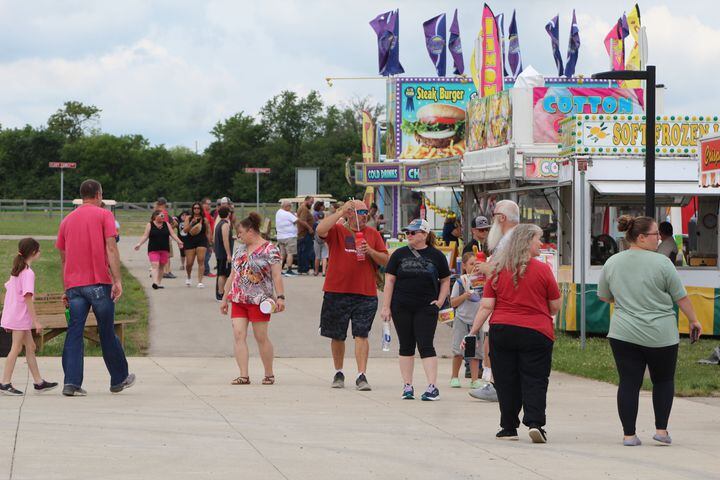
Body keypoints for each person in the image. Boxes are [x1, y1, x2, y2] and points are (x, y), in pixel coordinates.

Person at [598, 215, 702, 447]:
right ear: (642, 237)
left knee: (628, 382)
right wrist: (694, 320)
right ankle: (661, 430)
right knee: (663, 380)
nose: (659, 239)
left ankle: (629, 435)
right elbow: (680, 297)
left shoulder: (613, 262)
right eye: (655, 234)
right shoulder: (663, 263)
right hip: (661, 333)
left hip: (623, 332)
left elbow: (604, 296)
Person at [466, 224, 561, 443]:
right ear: (527, 242)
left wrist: (472, 332)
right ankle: (535, 423)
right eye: (538, 239)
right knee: (535, 378)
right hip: (536, 332)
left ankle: (508, 427)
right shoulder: (543, 270)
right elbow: (554, 307)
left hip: (503, 330)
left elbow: (487, 305)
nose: (541, 243)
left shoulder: (498, 269)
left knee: (507, 380)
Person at [56, 179, 135, 396]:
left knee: (74, 332)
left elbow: (63, 259)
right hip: (99, 283)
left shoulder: (67, 220)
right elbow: (111, 247)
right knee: (106, 331)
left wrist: (66, 287)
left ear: (82, 195)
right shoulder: (104, 215)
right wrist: (117, 280)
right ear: (99, 194)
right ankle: (118, 378)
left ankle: (71, 382)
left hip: (74, 286)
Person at [316, 199, 389, 391]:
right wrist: (340, 212)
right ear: (350, 214)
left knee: (361, 334)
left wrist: (370, 251)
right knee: (337, 335)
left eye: (366, 212)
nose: (364, 216)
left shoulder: (373, 234)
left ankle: (361, 375)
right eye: (359, 212)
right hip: (336, 291)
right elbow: (320, 230)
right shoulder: (338, 230)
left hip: (365, 292)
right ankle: (338, 372)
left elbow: (386, 260)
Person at [382, 219, 451, 401]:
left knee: (426, 344)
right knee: (406, 345)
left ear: (424, 234)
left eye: (413, 232)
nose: (409, 236)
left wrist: (440, 301)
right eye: (408, 232)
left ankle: (432, 386)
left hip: (426, 306)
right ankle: (407, 385)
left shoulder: (437, 256)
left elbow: (445, 280)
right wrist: (386, 306)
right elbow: (389, 280)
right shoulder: (399, 254)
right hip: (401, 305)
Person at [221, 213, 285, 385]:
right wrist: (225, 298)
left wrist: (280, 297)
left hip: (260, 300)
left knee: (260, 336)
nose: (238, 236)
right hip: (239, 299)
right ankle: (244, 375)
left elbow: (277, 276)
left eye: (240, 233)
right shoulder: (239, 250)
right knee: (238, 335)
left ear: (250, 231)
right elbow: (232, 276)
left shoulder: (270, 249)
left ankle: (269, 373)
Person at [469, 199, 520, 402]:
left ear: (502, 218)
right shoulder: (514, 238)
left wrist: (487, 269)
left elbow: (506, 272)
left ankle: (498, 386)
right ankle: (499, 384)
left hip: (504, 303)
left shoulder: (509, 239)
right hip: (509, 303)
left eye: (494, 216)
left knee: (498, 347)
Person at [0, 238, 58, 396]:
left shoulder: (17, 270)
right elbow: (27, 299)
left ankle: (39, 382)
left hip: (16, 316)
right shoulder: (27, 273)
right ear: (33, 253)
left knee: (30, 347)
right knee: (16, 348)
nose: (40, 252)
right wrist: (36, 322)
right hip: (19, 318)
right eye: (39, 250)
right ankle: (5, 383)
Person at [449, 253, 484, 389]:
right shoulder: (461, 282)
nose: (474, 267)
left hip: (477, 320)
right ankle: (454, 376)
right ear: (464, 266)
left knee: (475, 352)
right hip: (462, 319)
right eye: (471, 264)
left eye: (477, 264)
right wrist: (464, 296)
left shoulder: (482, 281)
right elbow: (453, 302)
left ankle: (474, 379)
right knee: (458, 350)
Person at [134, 210, 184, 290]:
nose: (163, 217)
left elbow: (173, 234)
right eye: (161, 216)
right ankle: (154, 282)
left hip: (164, 249)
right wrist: (139, 244)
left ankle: (158, 283)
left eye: (163, 216)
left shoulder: (167, 224)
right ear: (155, 216)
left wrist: (179, 242)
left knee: (161, 267)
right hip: (153, 249)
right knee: (155, 265)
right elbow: (145, 236)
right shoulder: (150, 225)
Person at [183, 201, 212, 288]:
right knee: (189, 263)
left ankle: (200, 281)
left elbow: (208, 232)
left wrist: (210, 242)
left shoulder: (205, 220)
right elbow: (185, 230)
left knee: (201, 260)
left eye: (198, 208)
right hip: (190, 241)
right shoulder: (188, 218)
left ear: (201, 209)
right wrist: (191, 223)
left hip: (201, 241)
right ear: (192, 209)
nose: (196, 210)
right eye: (194, 208)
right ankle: (188, 277)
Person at [214, 206, 235, 301]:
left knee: (222, 273)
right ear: (228, 214)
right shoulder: (225, 225)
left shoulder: (219, 224)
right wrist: (228, 254)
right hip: (223, 253)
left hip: (219, 252)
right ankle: (221, 293)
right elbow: (225, 239)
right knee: (223, 274)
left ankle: (221, 292)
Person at [155, 197, 178, 279]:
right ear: (165, 204)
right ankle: (167, 271)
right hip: (164, 236)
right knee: (167, 254)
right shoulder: (164, 213)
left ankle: (161, 271)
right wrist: (170, 230)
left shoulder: (156, 213)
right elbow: (173, 224)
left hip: (156, 236)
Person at [275, 201, 299, 276]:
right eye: (290, 206)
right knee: (290, 253)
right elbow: (296, 220)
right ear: (286, 206)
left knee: (282, 254)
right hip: (289, 236)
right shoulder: (287, 214)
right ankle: (289, 270)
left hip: (280, 236)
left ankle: (280, 269)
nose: (290, 208)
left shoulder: (279, 212)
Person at [296, 195, 316, 275]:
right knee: (305, 251)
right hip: (305, 233)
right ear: (306, 200)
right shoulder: (304, 209)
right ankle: (304, 269)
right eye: (311, 202)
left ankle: (301, 269)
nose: (312, 204)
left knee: (302, 251)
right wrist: (309, 228)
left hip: (302, 232)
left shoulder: (301, 207)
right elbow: (302, 220)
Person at [312, 202, 329, 276]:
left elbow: (313, 232)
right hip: (325, 241)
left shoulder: (315, 224)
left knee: (317, 256)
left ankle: (316, 271)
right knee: (324, 257)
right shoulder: (326, 223)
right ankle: (324, 272)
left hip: (316, 241)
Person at [201, 197, 217, 279]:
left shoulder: (207, 213)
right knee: (207, 254)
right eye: (208, 203)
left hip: (208, 236)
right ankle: (206, 271)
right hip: (207, 237)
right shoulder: (205, 214)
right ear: (203, 204)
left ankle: (204, 270)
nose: (210, 205)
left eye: (210, 203)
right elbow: (207, 228)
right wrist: (210, 239)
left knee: (207, 253)